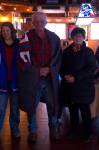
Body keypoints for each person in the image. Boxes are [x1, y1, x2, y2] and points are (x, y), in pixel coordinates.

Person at [18, 12, 62, 143]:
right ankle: (33, 130)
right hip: (32, 78)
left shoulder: (54, 37)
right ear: (32, 23)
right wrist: (37, 71)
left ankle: (53, 127)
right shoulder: (25, 37)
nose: (39, 24)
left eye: (42, 22)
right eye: (36, 22)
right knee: (32, 105)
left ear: (46, 22)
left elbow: (58, 57)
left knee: (52, 104)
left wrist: (50, 69)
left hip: (50, 77)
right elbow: (21, 58)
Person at [60, 27, 97, 142]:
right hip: (70, 87)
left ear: (83, 37)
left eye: (80, 36)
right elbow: (62, 67)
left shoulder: (88, 51)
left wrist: (76, 77)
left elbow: (92, 68)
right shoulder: (66, 51)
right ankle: (74, 131)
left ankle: (88, 133)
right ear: (72, 37)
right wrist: (64, 75)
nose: (78, 38)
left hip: (84, 87)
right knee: (73, 110)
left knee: (85, 111)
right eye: (76, 36)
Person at [0, 22, 20, 138]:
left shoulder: (19, 44)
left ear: (12, 31)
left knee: (14, 109)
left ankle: (15, 129)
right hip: (1, 81)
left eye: (7, 30)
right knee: (1, 109)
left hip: (15, 81)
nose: (5, 33)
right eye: (3, 31)